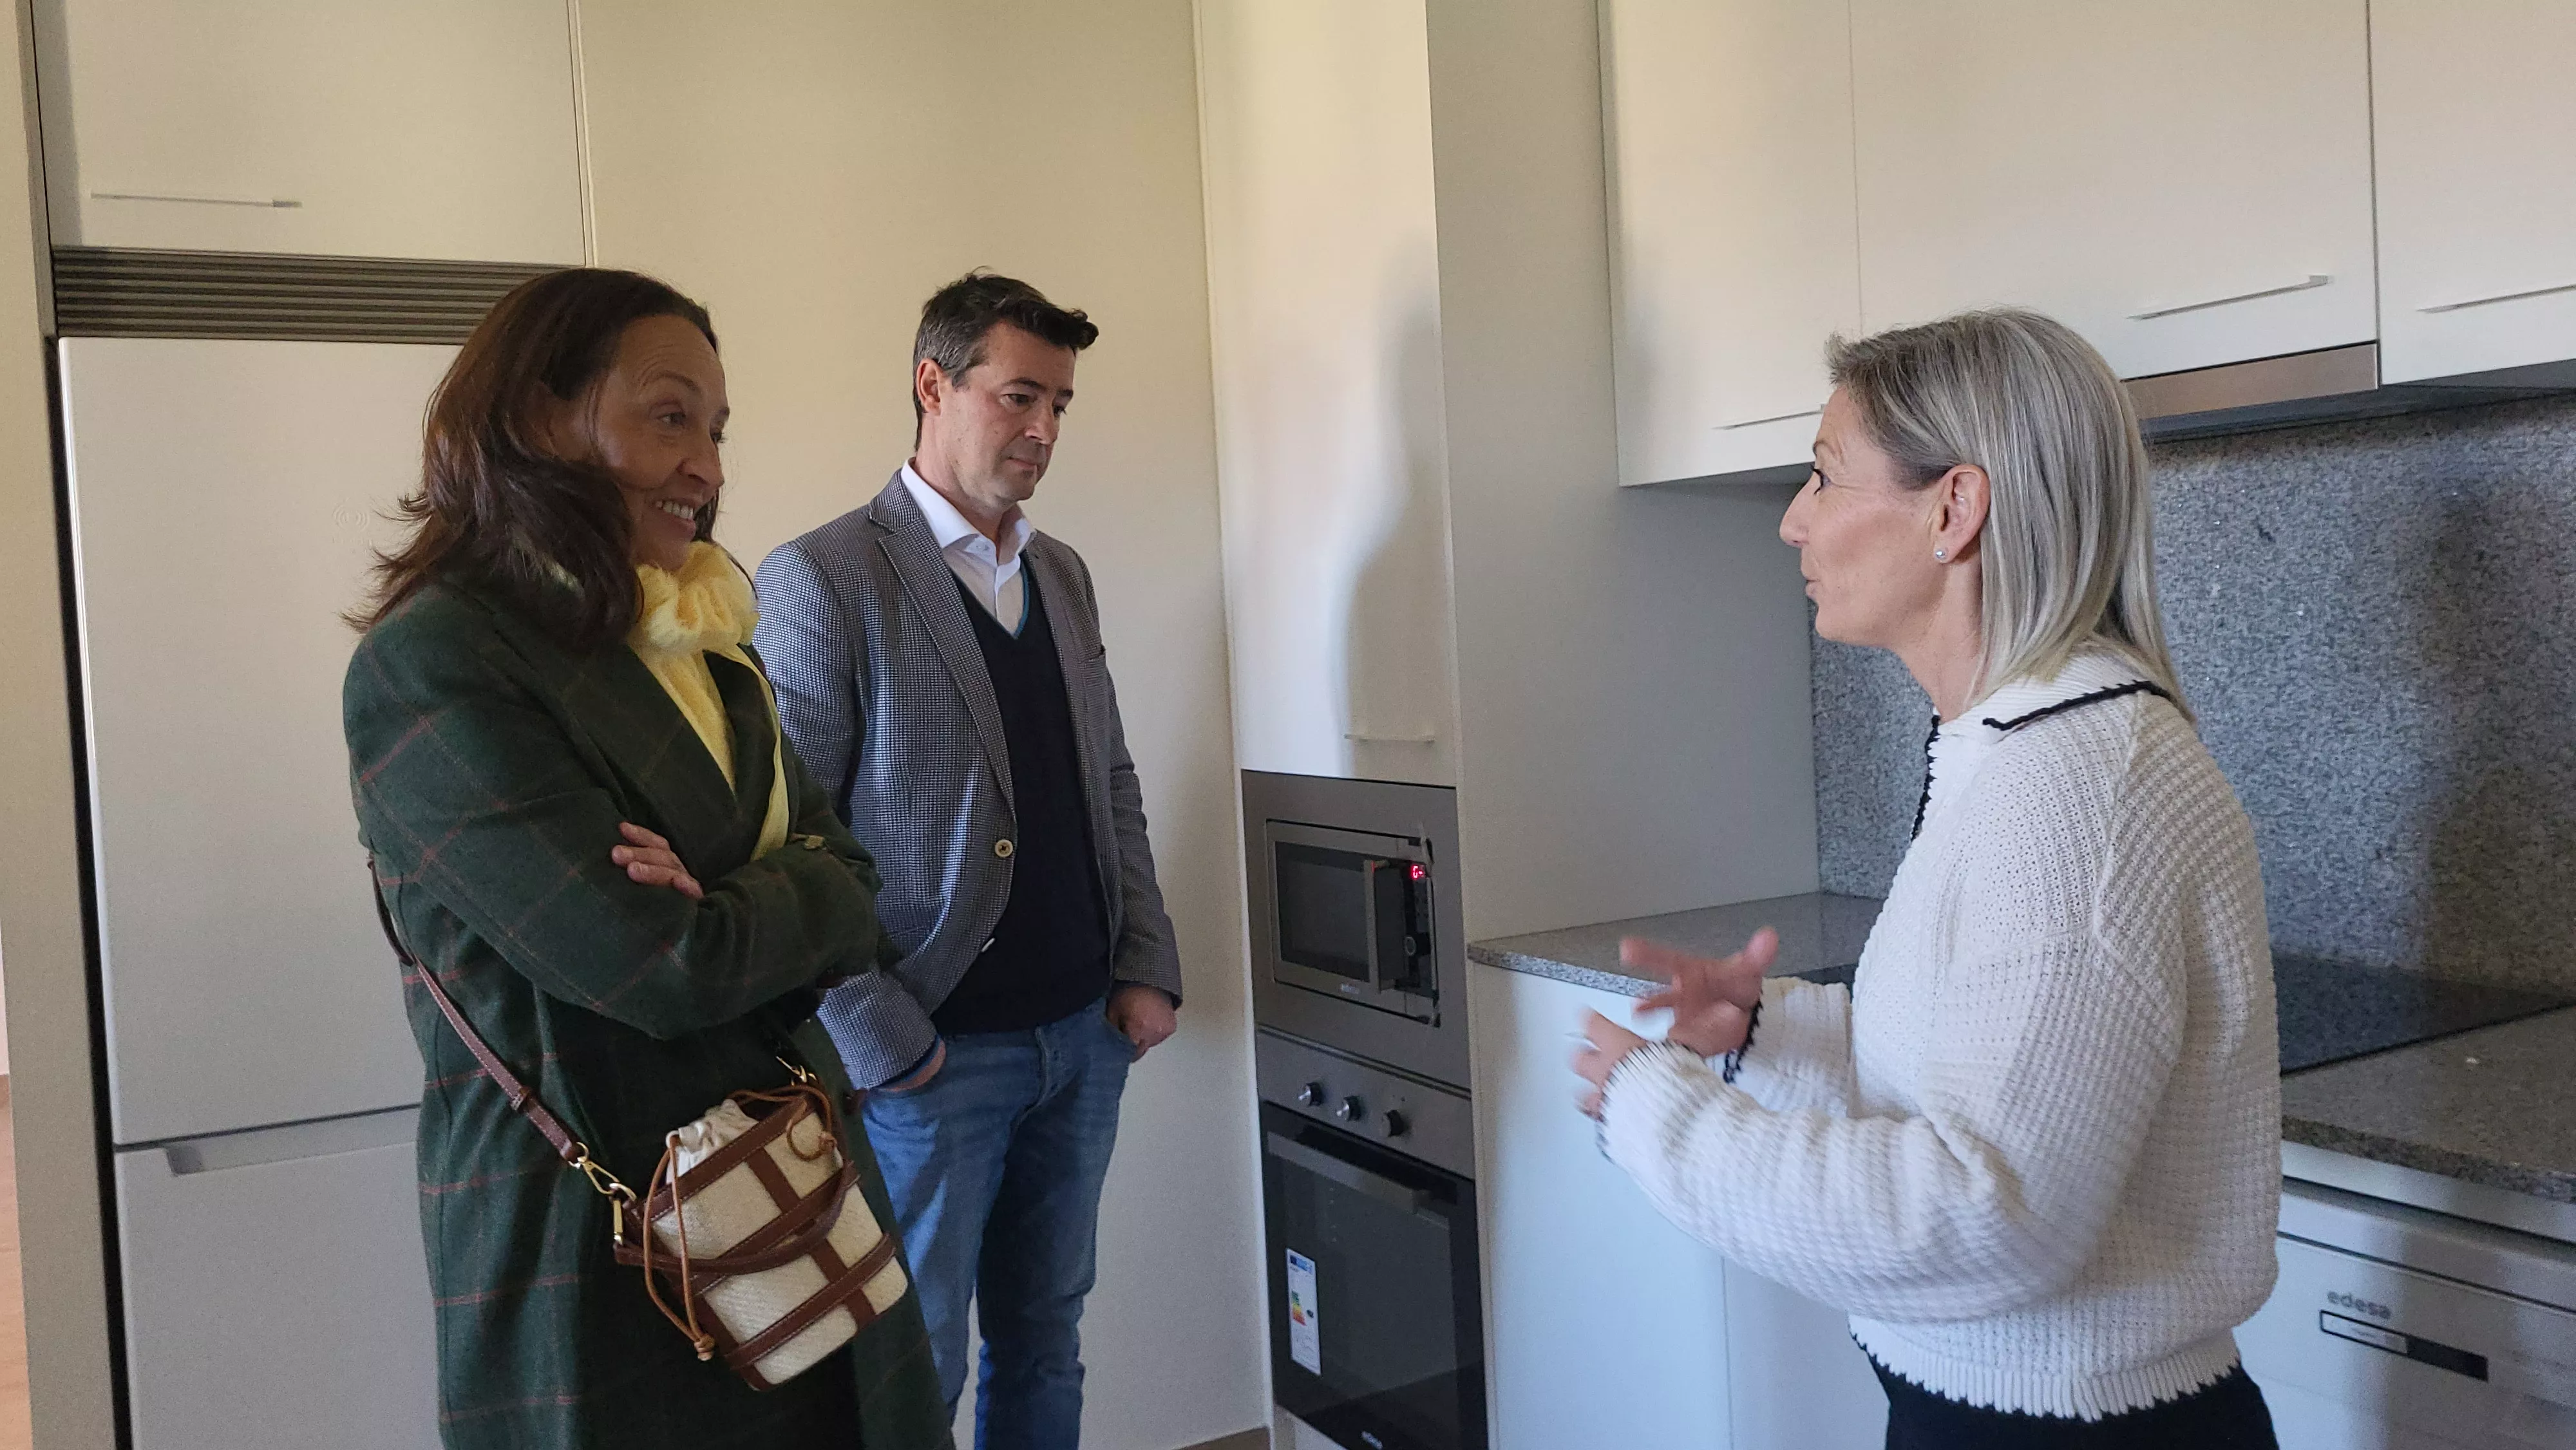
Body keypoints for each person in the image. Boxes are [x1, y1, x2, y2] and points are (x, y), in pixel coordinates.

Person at [1572, 308, 2282, 1449]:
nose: (1793, 519)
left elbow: (1990, 1214)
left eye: (1823, 475)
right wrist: (1770, 1033)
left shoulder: (2078, 792)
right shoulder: (2018, 752)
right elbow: (1981, 1065)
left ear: (1954, 510)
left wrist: (1659, 1116)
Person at [344, 268, 951, 1450]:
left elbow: (855, 880)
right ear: (537, 417)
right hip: (605, 1235)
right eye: (670, 417)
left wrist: (738, 904)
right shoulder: (436, 661)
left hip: (797, 1183)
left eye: (716, 431)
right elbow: (658, 970)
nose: (708, 467)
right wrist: (776, 901)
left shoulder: (699, 638)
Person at [752, 271, 1184, 1444]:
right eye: (1020, 397)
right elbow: (781, 844)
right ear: (933, 386)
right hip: (934, 1060)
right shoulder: (826, 576)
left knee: (1046, 1339)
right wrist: (879, 1040)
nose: (1044, 430)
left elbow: (1110, 779)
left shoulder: (1061, 574)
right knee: (917, 1365)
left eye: (1061, 405)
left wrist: (1144, 962)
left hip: (1082, 1040)